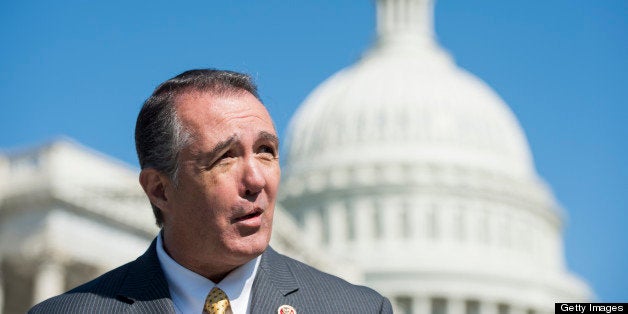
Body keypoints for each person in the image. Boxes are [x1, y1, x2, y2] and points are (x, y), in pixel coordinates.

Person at [29, 69, 392, 313]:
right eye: (225, 158)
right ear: (160, 190)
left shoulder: (354, 308)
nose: (257, 180)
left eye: (266, 151)